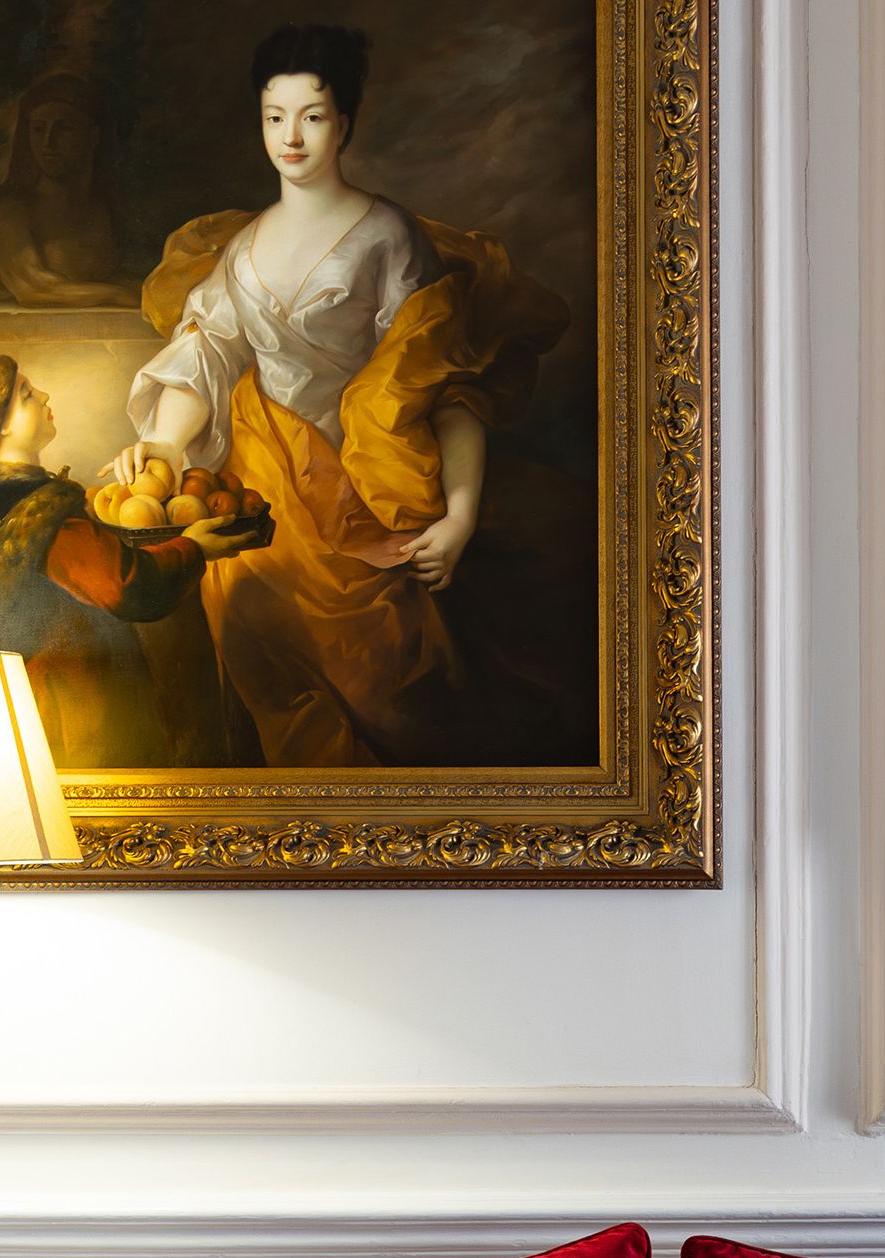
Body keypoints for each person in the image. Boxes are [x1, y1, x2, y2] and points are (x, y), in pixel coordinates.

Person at [110, 23, 569, 767]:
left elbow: (442, 384)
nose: (291, 137)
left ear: (345, 124)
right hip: (267, 504)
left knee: (392, 692)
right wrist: (164, 441)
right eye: (274, 116)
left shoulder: (387, 237)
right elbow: (208, 353)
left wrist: (458, 516)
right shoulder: (242, 247)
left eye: (312, 116)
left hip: (370, 499)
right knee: (267, 669)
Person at [0, 354, 262, 765]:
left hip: (8, 711)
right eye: (26, 394)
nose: (42, 395)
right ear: (0, 424)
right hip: (68, 711)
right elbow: (123, 585)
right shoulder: (39, 510)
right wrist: (194, 548)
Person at [0, 74, 139, 308]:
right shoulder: (5, 212)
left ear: (93, 136)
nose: (48, 142)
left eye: (64, 128)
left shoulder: (100, 216)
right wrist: (118, 295)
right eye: (38, 129)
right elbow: (34, 289)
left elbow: (94, 278)